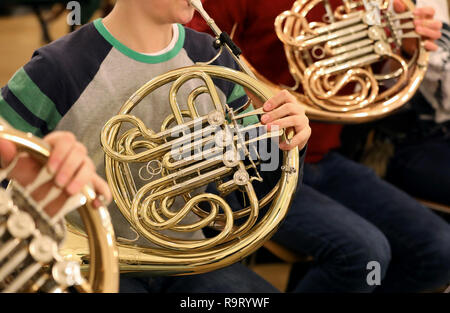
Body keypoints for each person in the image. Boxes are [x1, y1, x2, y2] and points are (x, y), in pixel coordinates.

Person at [0, 0, 311, 292]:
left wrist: (284, 142)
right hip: (94, 262)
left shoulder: (213, 55)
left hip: (192, 260)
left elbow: (257, 190)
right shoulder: (58, 67)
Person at [188, 0, 450, 292]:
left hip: (321, 158)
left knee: (439, 251)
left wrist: (404, 48)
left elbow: (374, 82)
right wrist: (261, 99)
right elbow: (192, 57)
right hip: (255, 162)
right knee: (363, 255)